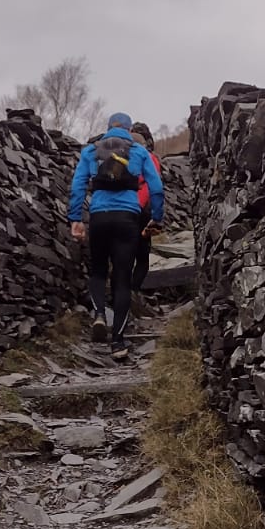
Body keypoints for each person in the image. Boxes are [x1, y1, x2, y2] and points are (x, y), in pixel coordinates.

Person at [68, 111, 164, 362]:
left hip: (99, 218)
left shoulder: (91, 151)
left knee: (98, 270)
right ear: (130, 129)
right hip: (128, 219)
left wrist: (76, 219)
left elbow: (78, 184)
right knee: (122, 278)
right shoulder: (140, 152)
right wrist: (156, 217)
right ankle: (118, 342)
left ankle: (99, 314)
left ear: (108, 127)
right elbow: (156, 187)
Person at [129, 122, 162, 299]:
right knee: (142, 255)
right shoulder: (150, 158)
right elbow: (154, 186)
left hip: (120, 209)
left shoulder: (118, 156)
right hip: (142, 212)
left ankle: (120, 293)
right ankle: (133, 292)